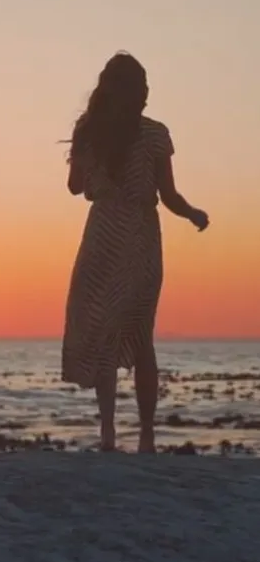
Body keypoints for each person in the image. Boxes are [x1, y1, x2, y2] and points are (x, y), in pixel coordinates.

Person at [61, 52, 209, 453]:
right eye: (141, 86)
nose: (145, 93)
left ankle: (115, 433)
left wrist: (91, 163)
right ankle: (140, 436)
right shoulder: (148, 133)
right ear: (132, 90)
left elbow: (75, 187)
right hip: (135, 235)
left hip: (111, 234)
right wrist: (192, 212)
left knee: (119, 332)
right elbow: (168, 195)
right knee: (136, 335)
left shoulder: (101, 132)